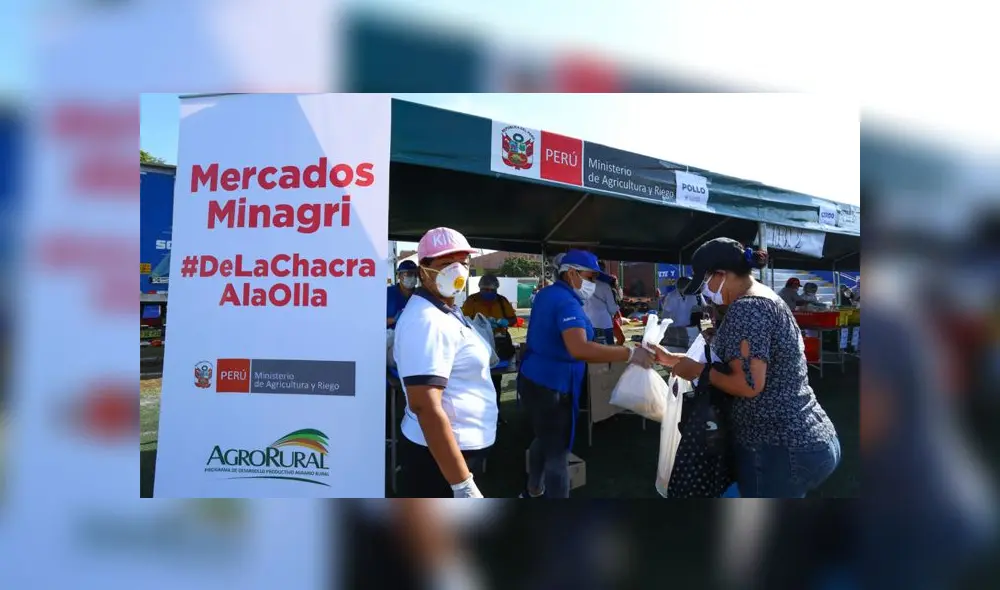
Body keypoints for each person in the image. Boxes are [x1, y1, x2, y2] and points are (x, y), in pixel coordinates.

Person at [664, 237, 841, 498]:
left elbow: (748, 385)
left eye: (705, 283)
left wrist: (699, 372)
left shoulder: (748, 308)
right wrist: (671, 359)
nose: (705, 292)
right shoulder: (763, 297)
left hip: (778, 447)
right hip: (801, 438)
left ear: (721, 274)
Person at [517, 249, 653, 498]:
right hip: (551, 384)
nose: (593, 283)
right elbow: (579, 348)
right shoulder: (565, 301)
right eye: (590, 277)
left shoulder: (549, 294)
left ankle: (533, 488)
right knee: (557, 452)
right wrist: (630, 354)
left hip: (537, 378)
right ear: (571, 273)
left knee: (545, 437)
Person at [393, 227, 498, 498]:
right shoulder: (426, 320)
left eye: (463, 262)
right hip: (440, 459)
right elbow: (424, 405)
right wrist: (462, 484)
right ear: (424, 270)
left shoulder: (445, 308)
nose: (458, 270)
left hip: (454, 451)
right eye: (445, 263)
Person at [462, 273, 518, 411]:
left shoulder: (501, 301)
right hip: (478, 342)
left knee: (496, 379)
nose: (487, 293)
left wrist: (503, 322)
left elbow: (513, 319)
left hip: (499, 343)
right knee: (477, 379)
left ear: (496, 289)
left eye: (491, 290)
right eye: (484, 290)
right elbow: (464, 321)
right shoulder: (472, 301)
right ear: (480, 288)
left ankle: (496, 413)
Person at [584, 264, 620, 345]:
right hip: (603, 324)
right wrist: (617, 307)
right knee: (607, 352)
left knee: (591, 352)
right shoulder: (604, 286)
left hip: (587, 324)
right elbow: (612, 310)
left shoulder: (580, 285)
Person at [388, 260, 418, 327]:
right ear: (399, 275)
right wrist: (393, 320)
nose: (413, 277)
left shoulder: (419, 295)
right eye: (408, 274)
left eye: (415, 274)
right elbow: (375, 321)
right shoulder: (387, 294)